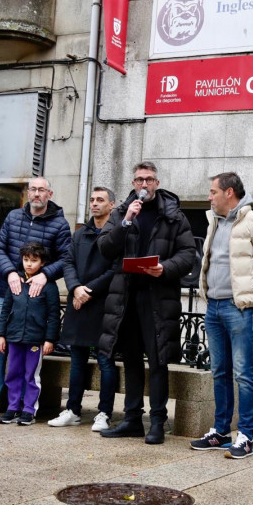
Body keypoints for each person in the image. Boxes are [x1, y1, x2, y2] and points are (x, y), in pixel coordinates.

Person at [97, 161, 195, 445]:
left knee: (158, 360)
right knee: (130, 360)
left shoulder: (174, 216)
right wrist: (126, 220)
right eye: (139, 180)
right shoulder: (120, 213)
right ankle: (131, 419)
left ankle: (156, 422)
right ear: (133, 183)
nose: (144, 185)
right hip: (125, 297)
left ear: (157, 183)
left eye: (149, 180)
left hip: (158, 297)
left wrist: (165, 268)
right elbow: (105, 248)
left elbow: (188, 253)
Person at [189, 172, 253, 459]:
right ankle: (220, 432)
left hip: (240, 309)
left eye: (213, 191)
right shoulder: (214, 223)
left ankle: (245, 436)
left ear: (229, 193)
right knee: (219, 372)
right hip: (214, 307)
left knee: (244, 374)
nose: (209, 197)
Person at [0, 177, 71, 422]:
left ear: (50, 194)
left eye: (41, 190)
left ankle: (26, 406)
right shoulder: (13, 217)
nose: (36, 194)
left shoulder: (60, 224)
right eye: (33, 189)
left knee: (30, 361)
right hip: (11, 292)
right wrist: (11, 272)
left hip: (38, 297)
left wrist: (45, 274)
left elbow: (67, 258)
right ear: (27, 193)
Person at [49, 187, 118, 430]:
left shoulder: (116, 233)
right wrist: (75, 288)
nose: (95, 204)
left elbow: (116, 268)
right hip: (78, 302)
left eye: (100, 200)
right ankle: (72, 410)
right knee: (76, 358)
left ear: (112, 204)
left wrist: (88, 290)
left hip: (103, 304)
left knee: (105, 360)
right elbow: (68, 262)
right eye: (92, 200)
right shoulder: (80, 233)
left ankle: (104, 413)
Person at [0, 242, 61, 426]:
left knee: (31, 375)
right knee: (13, 373)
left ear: (42, 262)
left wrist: (49, 339)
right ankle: (13, 407)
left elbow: (53, 315)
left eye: (34, 260)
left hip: (35, 339)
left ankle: (29, 410)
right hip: (14, 337)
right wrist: (1, 335)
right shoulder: (15, 282)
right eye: (26, 260)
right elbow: (6, 310)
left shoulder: (49, 286)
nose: (29, 264)